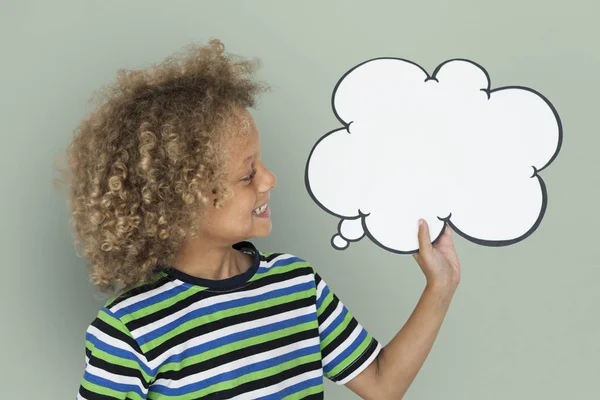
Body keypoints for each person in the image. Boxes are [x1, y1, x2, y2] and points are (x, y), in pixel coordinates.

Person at [59, 39, 460, 400]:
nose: (269, 179)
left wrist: (441, 286)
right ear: (183, 198)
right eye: (248, 174)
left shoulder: (298, 285)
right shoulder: (130, 331)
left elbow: (382, 385)